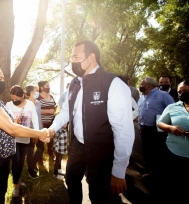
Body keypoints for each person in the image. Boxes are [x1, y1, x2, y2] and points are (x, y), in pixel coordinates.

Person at [48, 40, 135, 203]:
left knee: (99, 193)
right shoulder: (74, 84)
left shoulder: (113, 84)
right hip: (76, 146)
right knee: (71, 181)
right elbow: (66, 111)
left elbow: (124, 131)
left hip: (101, 150)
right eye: (71, 57)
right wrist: (51, 129)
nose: (72, 61)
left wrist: (119, 170)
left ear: (91, 57)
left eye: (76, 56)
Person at [0, 62, 49, 204]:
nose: (3, 82)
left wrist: (13, 122)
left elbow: (8, 125)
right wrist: (40, 133)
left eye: (3, 78)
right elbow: (12, 130)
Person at [157, 79, 189, 203]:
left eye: (185, 91)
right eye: (179, 92)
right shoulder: (172, 107)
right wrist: (170, 128)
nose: (181, 94)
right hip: (175, 154)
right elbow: (160, 123)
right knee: (178, 187)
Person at [137, 76, 174, 197]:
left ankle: (161, 176)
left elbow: (172, 109)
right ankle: (150, 172)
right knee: (148, 151)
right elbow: (140, 111)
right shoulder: (142, 96)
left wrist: (169, 126)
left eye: (142, 83)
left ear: (149, 85)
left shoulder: (163, 95)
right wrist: (139, 127)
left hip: (158, 129)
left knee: (159, 151)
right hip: (145, 129)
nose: (140, 85)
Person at [6, 85, 39, 197]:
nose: (14, 101)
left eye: (16, 99)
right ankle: (15, 184)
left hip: (25, 138)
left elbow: (34, 119)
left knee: (21, 162)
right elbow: (5, 121)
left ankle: (17, 180)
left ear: (23, 95)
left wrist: (37, 133)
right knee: (16, 160)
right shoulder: (8, 105)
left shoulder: (30, 104)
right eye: (12, 99)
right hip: (13, 138)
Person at [36, 81, 57, 162]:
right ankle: (39, 157)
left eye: (49, 85)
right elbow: (36, 110)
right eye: (47, 86)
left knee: (50, 140)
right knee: (41, 140)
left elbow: (54, 107)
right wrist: (49, 111)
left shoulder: (51, 96)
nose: (49, 87)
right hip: (41, 123)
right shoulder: (38, 97)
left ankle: (51, 153)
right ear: (41, 87)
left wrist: (53, 110)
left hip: (51, 122)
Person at [25, 85, 42, 179]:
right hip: (30, 131)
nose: (38, 92)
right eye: (37, 91)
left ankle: (32, 164)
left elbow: (39, 117)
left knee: (41, 148)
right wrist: (32, 134)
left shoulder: (39, 103)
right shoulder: (26, 103)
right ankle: (30, 171)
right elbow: (27, 119)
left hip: (39, 130)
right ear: (32, 92)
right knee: (30, 151)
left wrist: (42, 128)